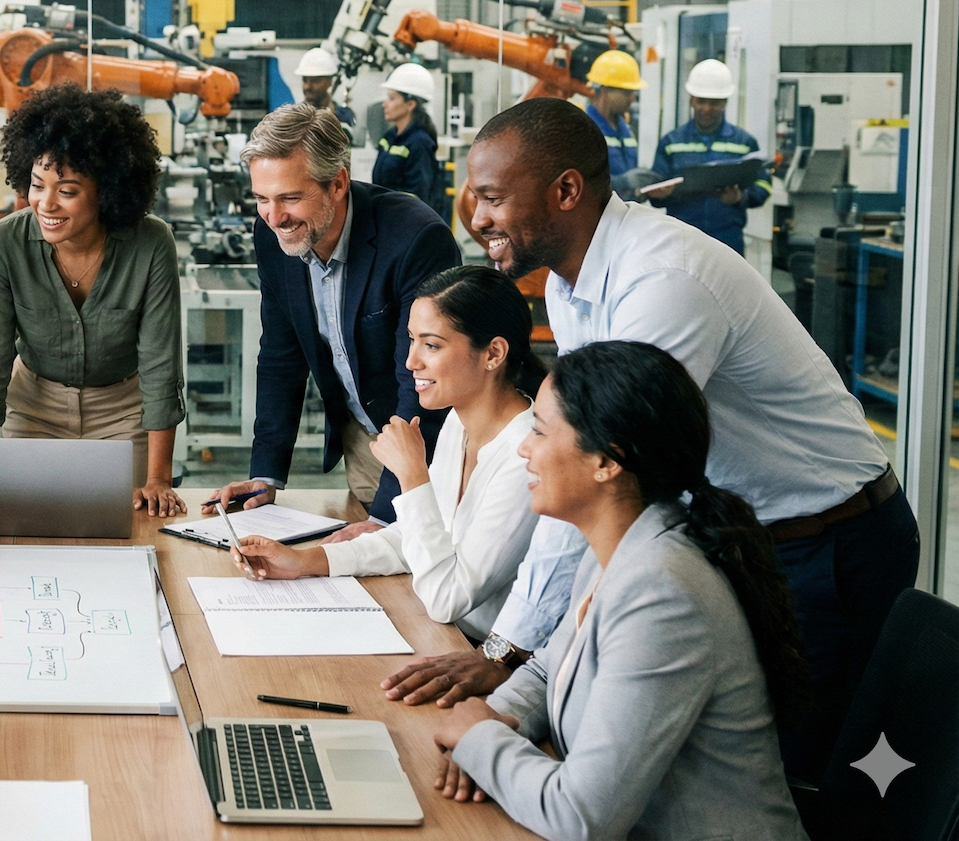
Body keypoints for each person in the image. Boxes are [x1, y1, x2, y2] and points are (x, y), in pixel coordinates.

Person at [388, 98, 914, 786]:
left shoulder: (662, 282)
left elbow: (597, 468)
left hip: (831, 542)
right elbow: (589, 472)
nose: (475, 217)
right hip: (749, 535)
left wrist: (507, 646)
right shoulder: (572, 290)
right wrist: (517, 662)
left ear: (566, 191)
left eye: (491, 197)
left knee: (799, 775)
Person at [434, 340, 807, 841]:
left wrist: (480, 739)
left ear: (608, 461)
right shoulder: (618, 547)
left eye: (540, 431)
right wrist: (500, 720)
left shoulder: (662, 592)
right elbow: (549, 668)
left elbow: (581, 817)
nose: (524, 446)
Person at [232, 265, 542, 641]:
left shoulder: (528, 455)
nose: (412, 361)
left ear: (493, 353)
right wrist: (301, 561)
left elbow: (447, 598)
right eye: (411, 340)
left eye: (431, 345)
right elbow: (412, 541)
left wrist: (413, 477)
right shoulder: (460, 424)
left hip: (477, 651)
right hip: (438, 631)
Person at [204, 102, 462, 524]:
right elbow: (280, 357)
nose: (274, 217)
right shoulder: (272, 235)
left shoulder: (415, 239)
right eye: (261, 199)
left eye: (290, 198)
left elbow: (423, 383)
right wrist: (265, 476)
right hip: (364, 440)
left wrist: (380, 523)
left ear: (338, 183)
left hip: (429, 443)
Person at [0, 85, 186, 517]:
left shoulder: (152, 243)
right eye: (37, 185)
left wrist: (158, 478)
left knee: (130, 531)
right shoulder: (4, 243)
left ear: (108, 190)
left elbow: (160, 365)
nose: (45, 203)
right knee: (27, 531)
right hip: (33, 408)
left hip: (123, 414)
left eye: (67, 190)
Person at [649, 59, 771, 253]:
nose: (706, 109)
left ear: (725, 103)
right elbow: (656, 193)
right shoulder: (671, 143)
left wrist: (740, 197)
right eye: (701, 101)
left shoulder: (744, 143)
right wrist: (664, 194)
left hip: (727, 243)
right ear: (691, 100)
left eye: (714, 103)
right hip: (681, 243)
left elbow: (763, 185)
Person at [371, 63, 442, 214]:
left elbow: (419, 196)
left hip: (404, 221)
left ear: (410, 104)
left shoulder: (420, 143)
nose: (384, 104)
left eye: (391, 98)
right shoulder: (388, 138)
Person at [582, 50, 645, 195]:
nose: (632, 99)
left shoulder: (625, 129)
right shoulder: (583, 129)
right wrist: (622, 182)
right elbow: (582, 184)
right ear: (604, 91)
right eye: (626, 93)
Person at [291, 46, 355, 129]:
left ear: (329, 82)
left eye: (314, 81)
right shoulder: (294, 117)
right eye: (305, 81)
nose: (307, 87)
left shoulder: (343, 116)